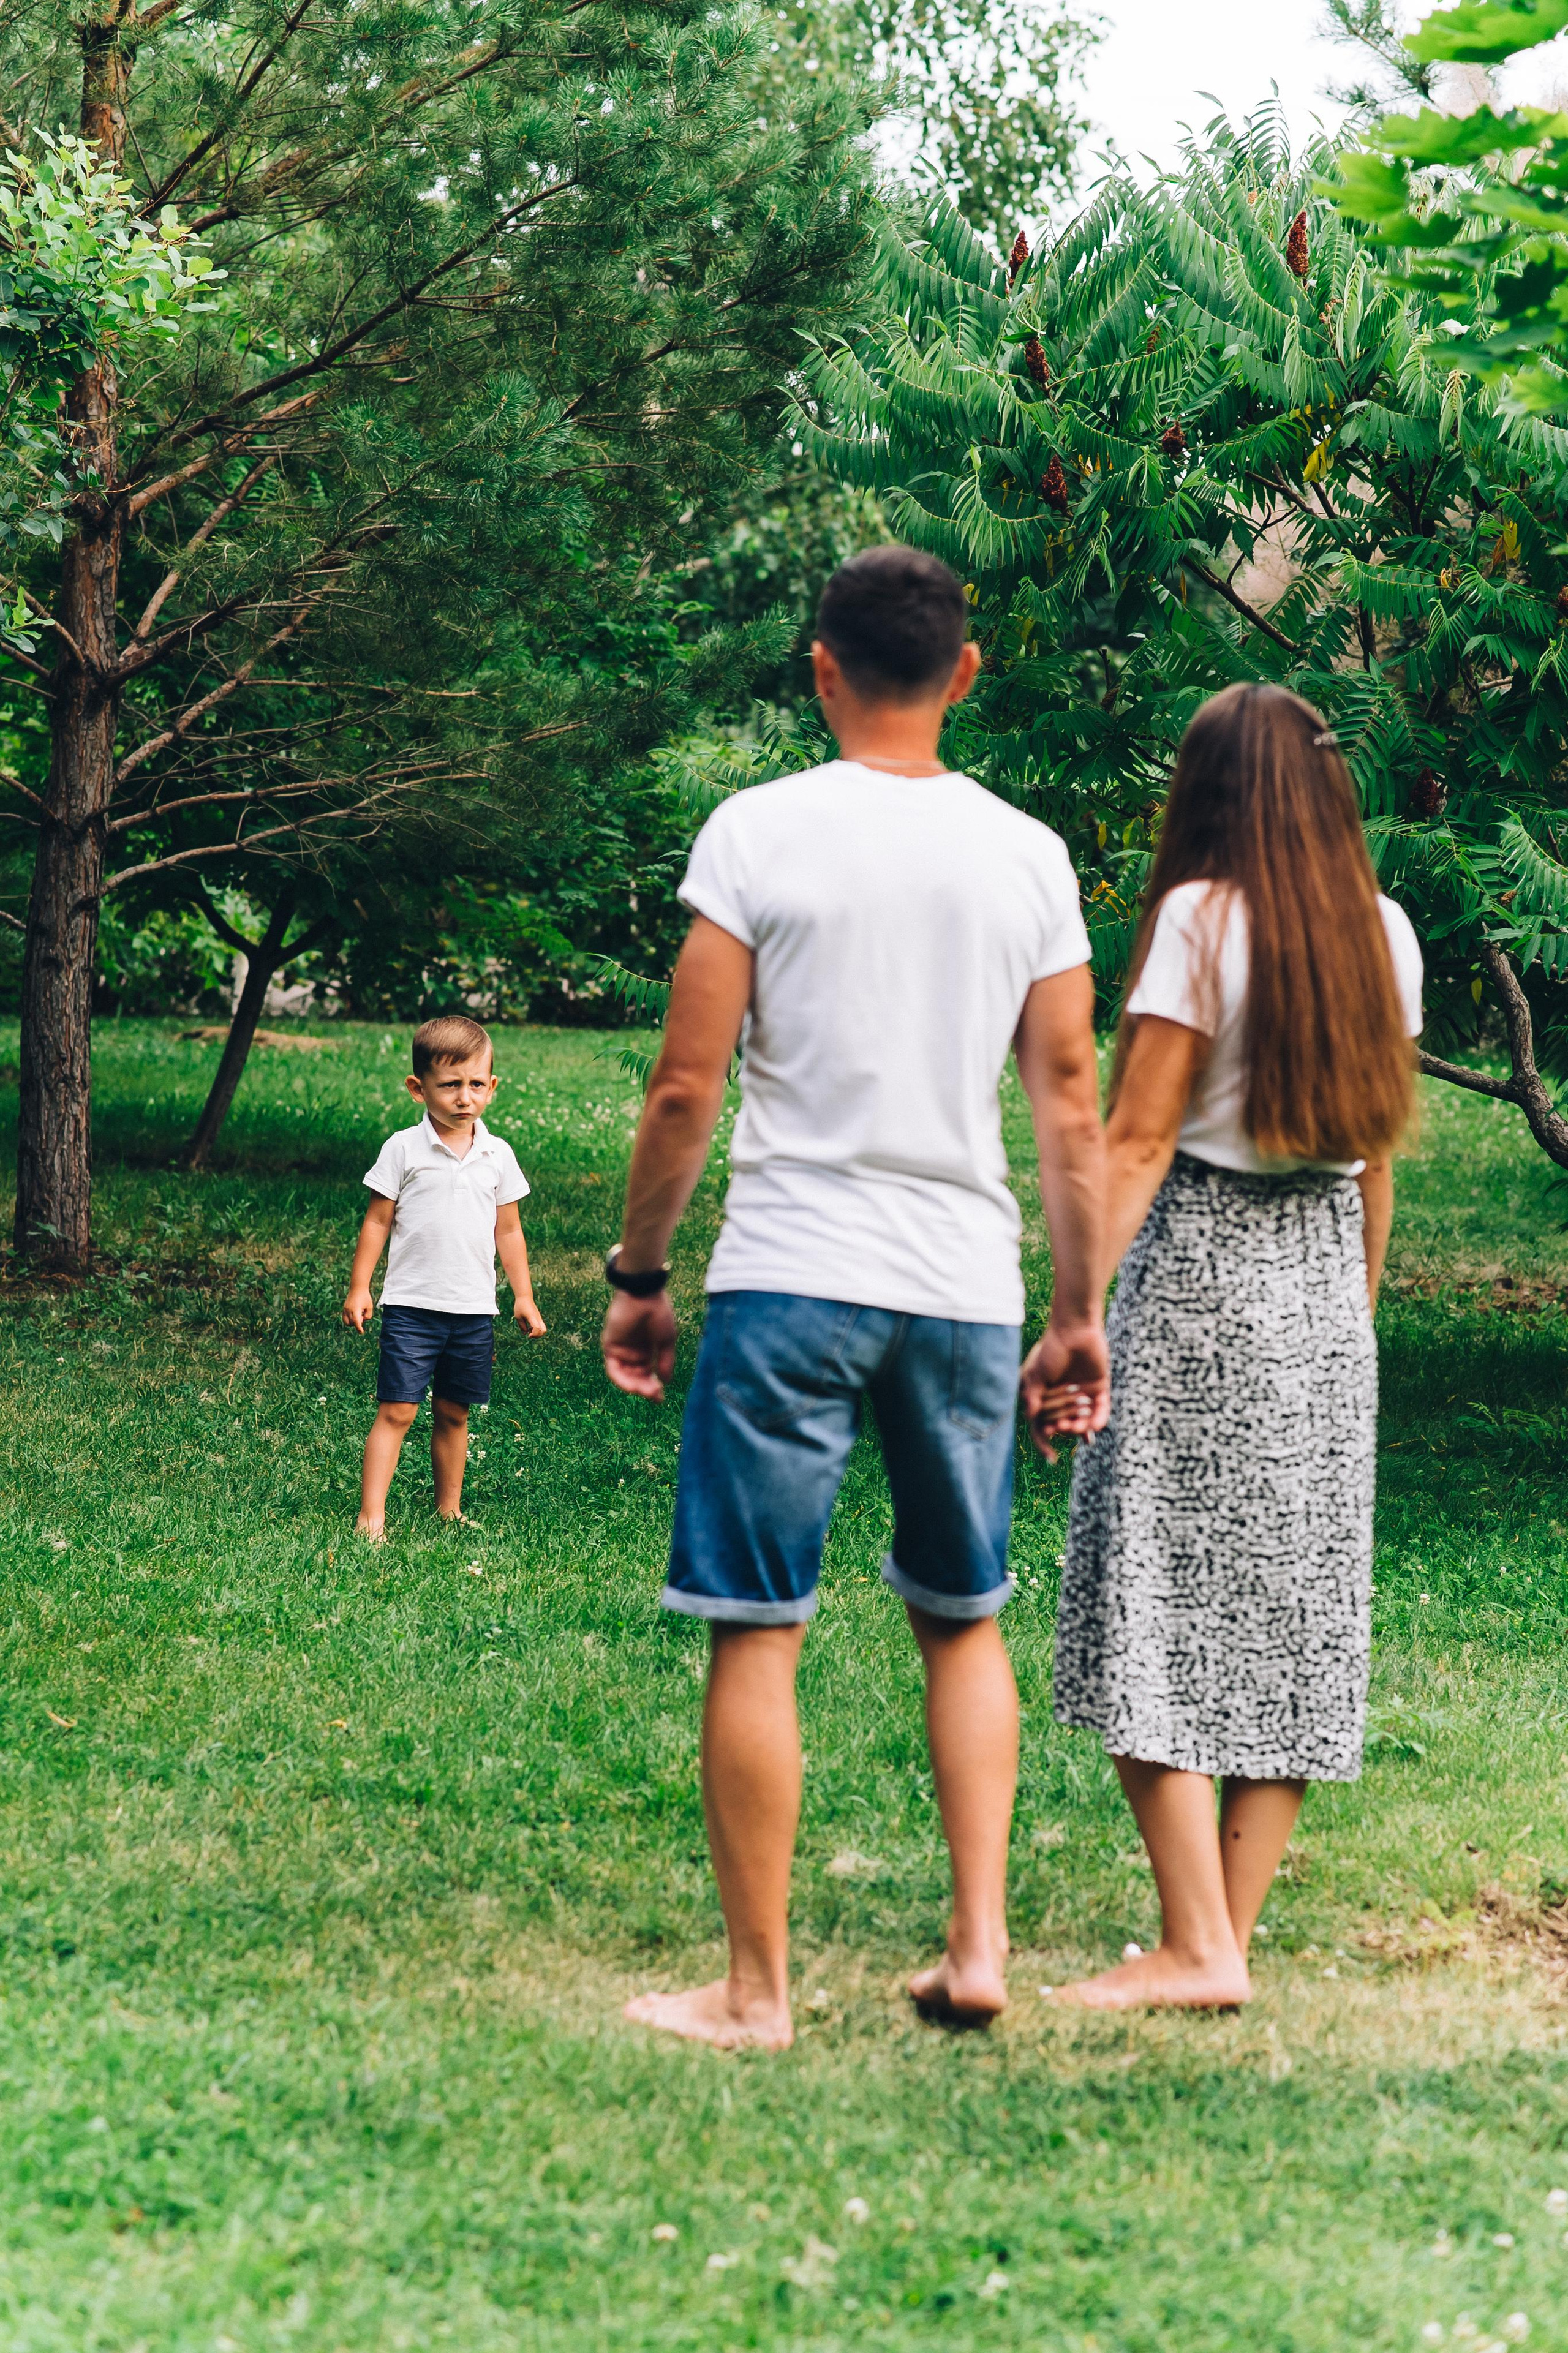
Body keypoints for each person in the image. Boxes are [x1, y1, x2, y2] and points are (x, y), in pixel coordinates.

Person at [600, 543, 1109, 2052]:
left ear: (819, 665)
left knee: (759, 1624)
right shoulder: (1025, 854)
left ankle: (756, 1991)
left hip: (789, 1275)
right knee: (962, 1621)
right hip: (958, 1285)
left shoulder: (756, 832)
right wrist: (1075, 1309)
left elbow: (688, 1080)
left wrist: (638, 1273)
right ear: (962, 671)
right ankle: (977, 1945)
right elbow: (1068, 1094)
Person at [1045, 681, 1422, 2009]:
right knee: (1290, 1622)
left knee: (1144, 1592)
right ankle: (1223, 1938)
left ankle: (1197, 1946)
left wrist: (1072, 1313)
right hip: (1320, 1288)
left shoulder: (1201, 923)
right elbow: (1374, 1155)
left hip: (1200, 1273)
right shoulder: (1383, 929)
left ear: (1205, 794)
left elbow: (1139, 1141)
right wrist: (1354, 1319)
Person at [344, 1015, 546, 1540]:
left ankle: (449, 1509)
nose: (464, 1097)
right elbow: (377, 1220)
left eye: (476, 1084)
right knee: (399, 1411)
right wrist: (360, 1286)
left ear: (492, 1088)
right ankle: (371, 1516)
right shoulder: (403, 1149)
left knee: (456, 1412)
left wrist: (523, 1296)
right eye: (450, 1084)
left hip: (474, 1309)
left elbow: (509, 1232)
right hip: (412, 1305)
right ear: (419, 1088)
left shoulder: (497, 1155)